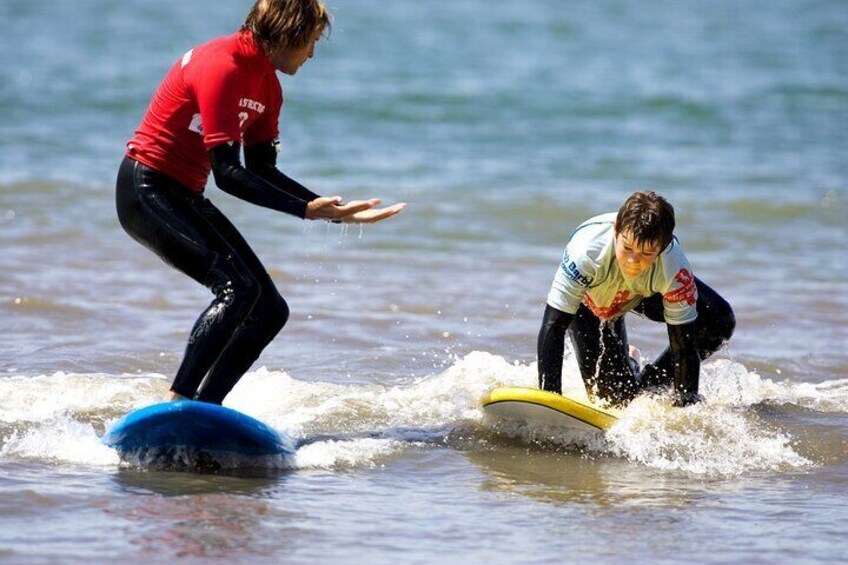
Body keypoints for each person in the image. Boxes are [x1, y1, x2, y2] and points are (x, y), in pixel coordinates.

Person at [116, 0, 405, 404]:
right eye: (311, 42)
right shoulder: (222, 65)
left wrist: (328, 211)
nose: (312, 54)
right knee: (236, 289)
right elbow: (229, 175)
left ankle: (206, 409)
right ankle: (178, 401)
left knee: (270, 308)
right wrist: (307, 210)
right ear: (289, 33)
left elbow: (262, 170)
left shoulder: (267, 85)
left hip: (184, 194)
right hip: (147, 188)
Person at [537, 191, 734, 407]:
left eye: (646, 253)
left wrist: (684, 409)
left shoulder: (674, 269)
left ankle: (647, 385)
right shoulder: (586, 252)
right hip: (593, 300)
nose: (633, 261)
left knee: (718, 320)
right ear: (616, 230)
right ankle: (629, 362)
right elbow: (554, 325)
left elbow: (683, 346)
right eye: (627, 248)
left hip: (644, 293)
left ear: (662, 247)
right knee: (613, 401)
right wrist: (549, 402)